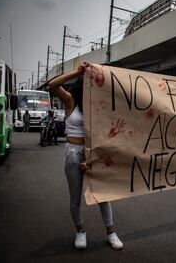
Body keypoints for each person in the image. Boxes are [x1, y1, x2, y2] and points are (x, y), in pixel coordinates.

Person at [48, 62, 123, 250]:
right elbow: (53, 85)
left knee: (102, 196)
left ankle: (111, 233)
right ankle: (80, 231)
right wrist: (77, 71)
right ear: (82, 83)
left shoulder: (98, 105)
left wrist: (92, 157)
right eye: (88, 82)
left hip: (92, 154)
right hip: (73, 153)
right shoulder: (70, 100)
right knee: (75, 198)